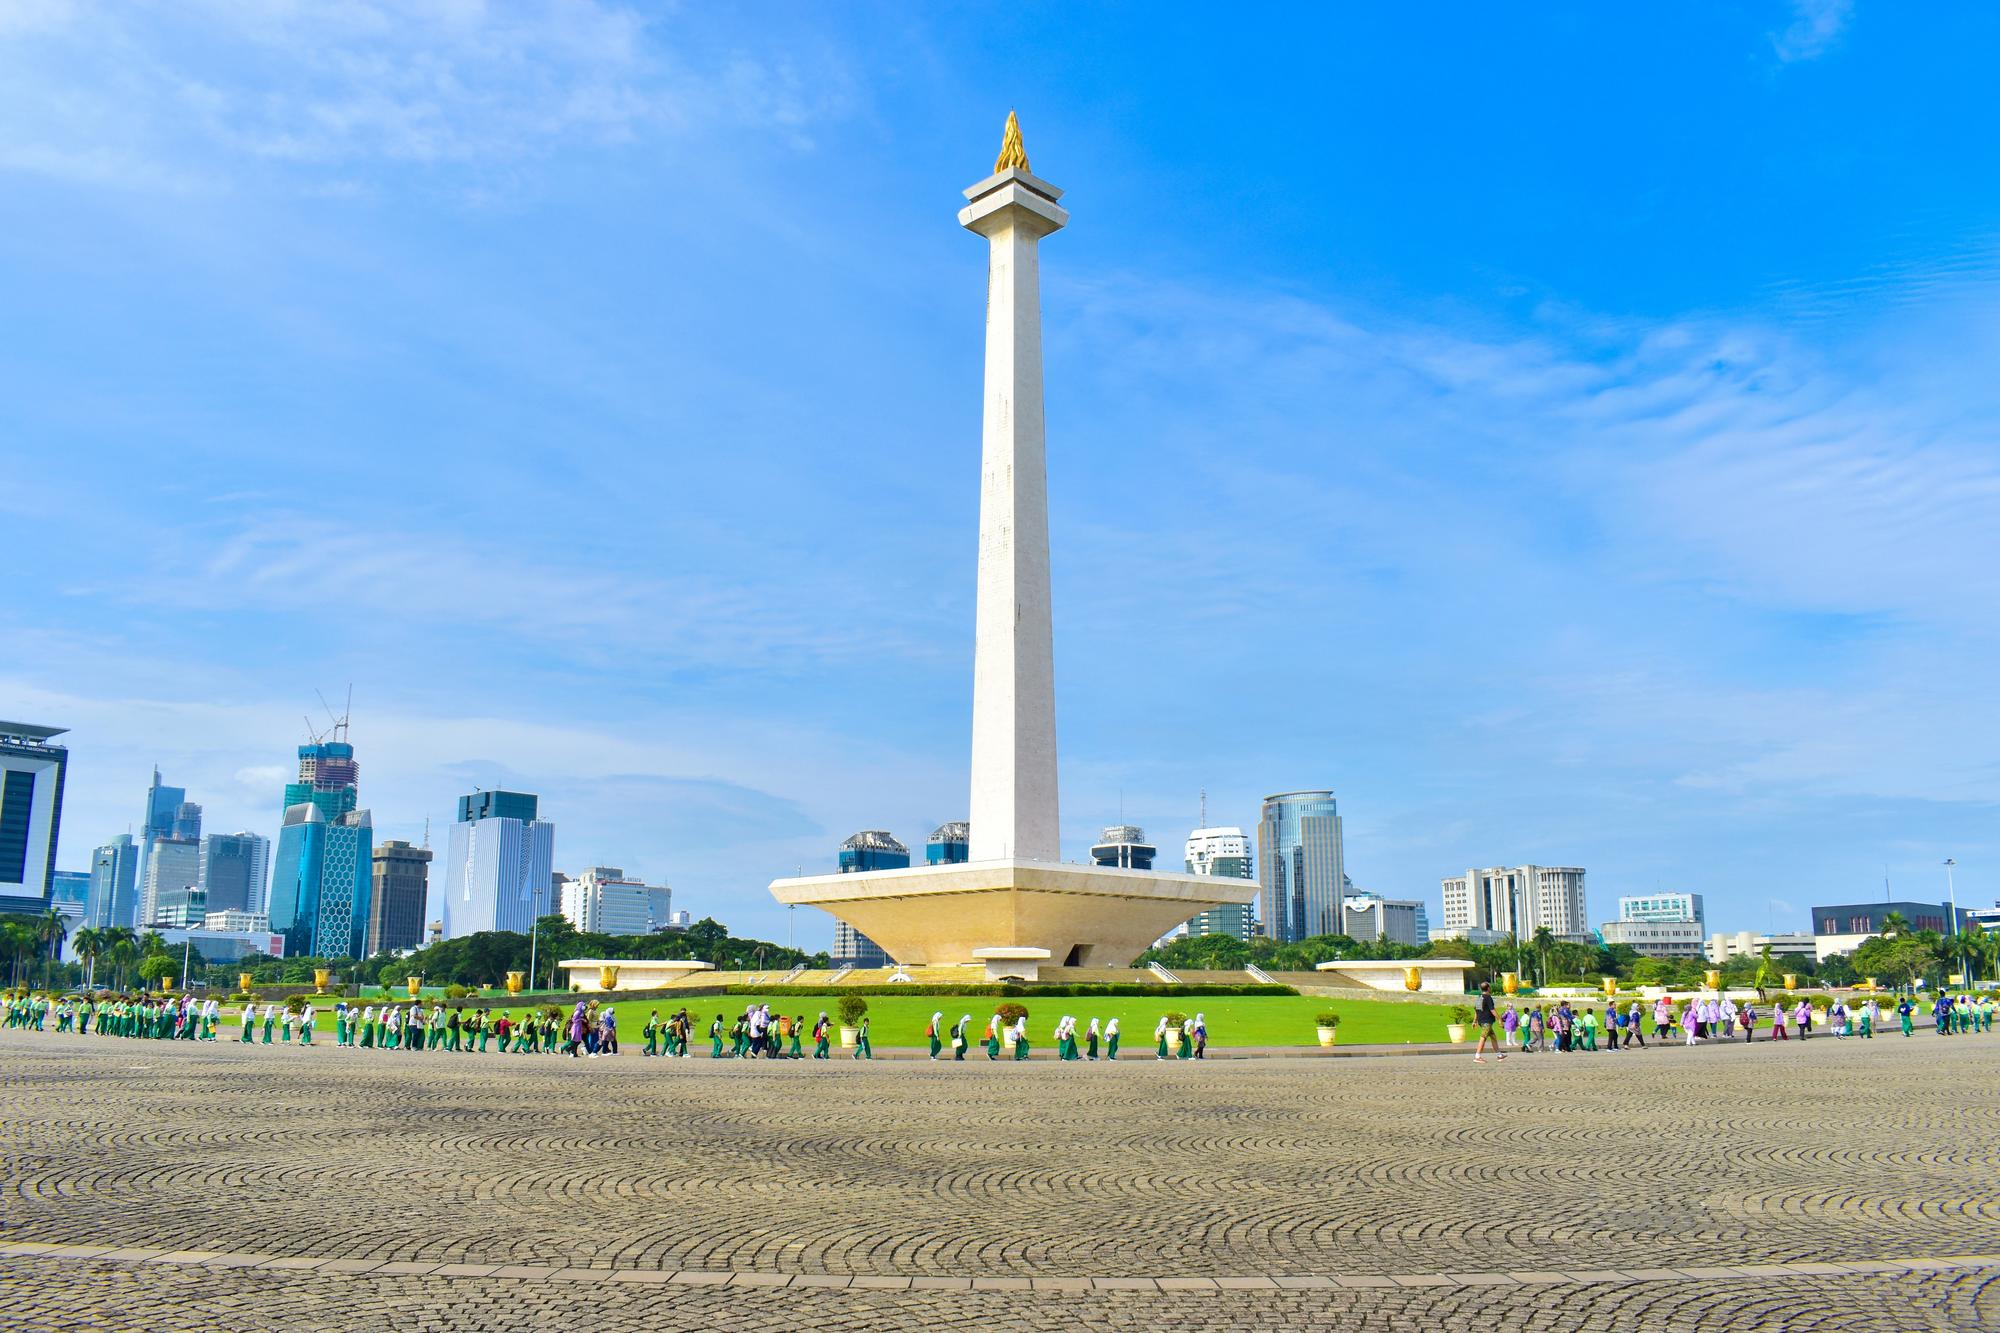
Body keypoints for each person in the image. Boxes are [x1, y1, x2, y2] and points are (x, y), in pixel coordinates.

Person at [1469, 982, 1502, 1063]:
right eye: (1489, 987)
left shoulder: (1479, 997)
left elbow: (1477, 1010)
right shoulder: (1488, 997)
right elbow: (1492, 1009)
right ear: (1488, 988)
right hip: (1487, 1021)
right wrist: (1499, 1019)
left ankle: (1499, 1055)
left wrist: (1475, 1021)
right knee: (1483, 1037)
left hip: (1482, 1020)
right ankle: (1477, 1056)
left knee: (1493, 1037)